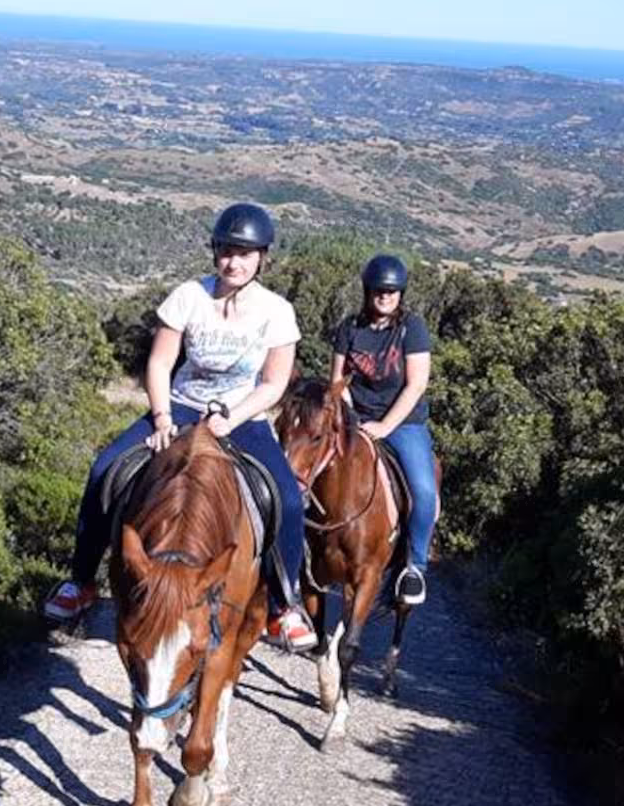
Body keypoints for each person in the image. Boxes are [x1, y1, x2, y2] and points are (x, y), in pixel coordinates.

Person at [43, 202, 318, 650]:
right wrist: (163, 416)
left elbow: (273, 384)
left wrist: (233, 416)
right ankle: (80, 582)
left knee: (285, 497)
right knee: (104, 470)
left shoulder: (277, 311)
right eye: (228, 251)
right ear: (216, 252)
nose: (234, 261)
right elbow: (160, 361)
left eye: (245, 254)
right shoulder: (189, 296)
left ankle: (284, 607)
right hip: (181, 405)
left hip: (242, 415)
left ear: (262, 258)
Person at [330, 253, 437, 605]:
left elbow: (416, 383)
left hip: (403, 422)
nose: (385, 297)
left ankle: (414, 567)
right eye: (379, 290)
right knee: (308, 472)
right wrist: (350, 419)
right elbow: (338, 381)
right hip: (355, 419)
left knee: (423, 493)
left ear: (401, 293)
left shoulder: (411, 328)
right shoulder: (350, 328)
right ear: (368, 291)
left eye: (392, 291)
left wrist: (385, 425)